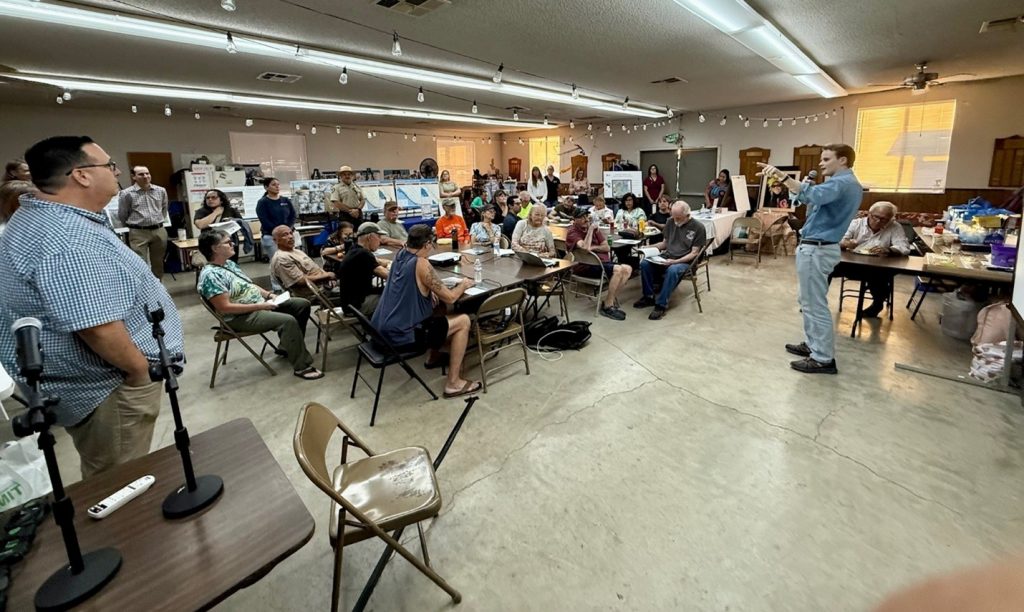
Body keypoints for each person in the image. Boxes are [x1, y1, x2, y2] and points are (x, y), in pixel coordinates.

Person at [0, 136, 184, 478]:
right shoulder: (66, 239)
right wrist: (138, 371)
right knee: (119, 483)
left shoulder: (49, 220)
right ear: (81, 175)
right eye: (109, 165)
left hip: (96, 386)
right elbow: (97, 327)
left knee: (112, 476)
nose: (116, 172)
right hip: (110, 390)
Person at [758, 144, 863, 374]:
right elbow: (809, 199)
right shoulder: (839, 184)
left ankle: (823, 358)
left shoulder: (843, 183)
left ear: (843, 160)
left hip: (818, 248)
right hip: (816, 247)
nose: (821, 163)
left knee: (815, 305)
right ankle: (813, 344)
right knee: (807, 302)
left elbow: (812, 195)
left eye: (826, 159)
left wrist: (781, 175)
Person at [371, 225, 481, 398]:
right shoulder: (422, 263)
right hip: (400, 336)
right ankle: (453, 383)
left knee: (439, 307)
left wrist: (429, 292)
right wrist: (464, 284)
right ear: (428, 244)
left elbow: (409, 284)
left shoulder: (401, 254)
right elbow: (451, 297)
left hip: (378, 329)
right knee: (463, 321)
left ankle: (433, 357)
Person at [197, 228, 323, 380]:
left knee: (301, 304)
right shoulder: (211, 275)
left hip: (258, 304)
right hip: (240, 317)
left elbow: (249, 285)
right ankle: (301, 366)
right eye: (228, 242)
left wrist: (269, 295)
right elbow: (225, 308)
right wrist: (261, 306)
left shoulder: (229, 264)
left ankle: (287, 346)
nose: (233, 244)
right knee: (288, 321)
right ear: (215, 248)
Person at [633, 201, 707, 320]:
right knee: (645, 263)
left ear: (687, 216)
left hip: (685, 261)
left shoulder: (698, 227)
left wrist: (675, 262)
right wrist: (647, 248)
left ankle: (661, 305)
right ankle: (648, 296)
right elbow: (664, 244)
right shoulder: (670, 222)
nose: (675, 220)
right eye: (673, 216)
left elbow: (694, 253)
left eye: (678, 218)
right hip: (668, 255)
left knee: (672, 270)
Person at [838, 201, 910, 318]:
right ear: (869, 214)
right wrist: (846, 243)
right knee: (826, 267)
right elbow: (838, 241)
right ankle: (815, 302)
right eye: (876, 217)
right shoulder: (856, 223)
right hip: (852, 264)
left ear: (891, 219)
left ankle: (877, 305)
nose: (878, 221)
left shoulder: (894, 226)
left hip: (878, 267)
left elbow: (904, 247)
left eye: (884, 219)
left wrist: (888, 250)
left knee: (880, 276)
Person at [566, 208, 631, 321]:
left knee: (628, 269)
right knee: (618, 270)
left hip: (601, 263)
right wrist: (590, 231)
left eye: (586, 216)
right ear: (574, 220)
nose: (586, 219)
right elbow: (585, 248)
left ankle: (608, 301)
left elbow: (607, 247)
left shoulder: (595, 230)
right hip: (586, 266)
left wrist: (594, 247)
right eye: (582, 217)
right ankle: (608, 306)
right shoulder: (573, 232)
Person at [118, 164, 168, 279]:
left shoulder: (160, 191)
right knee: (140, 264)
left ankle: (157, 290)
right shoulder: (127, 193)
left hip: (159, 230)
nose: (145, 176)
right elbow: (123, 214)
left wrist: (158, 221)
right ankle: (145, 292)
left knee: (158, 263)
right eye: (141, 174)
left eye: (147, 173)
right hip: (138, 232)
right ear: (133, 177)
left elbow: (164, 209)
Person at [336, 222, 390, 316]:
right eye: (378, 237)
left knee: (385, 290)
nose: (380, 241)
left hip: (349, 303)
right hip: (357, 306)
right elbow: (388, 276)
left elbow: (378, 262)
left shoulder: (355, 249)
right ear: (370, 237)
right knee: (398, 296)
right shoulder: (364, 255)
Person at [269, 225, 336, 299]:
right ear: (275, 240)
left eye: (291, 233)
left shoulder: (296, 251)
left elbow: (315, 269)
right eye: (285, 235)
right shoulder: (282, 258)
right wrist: (327, 276)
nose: (290, 236)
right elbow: (300, 281)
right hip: (315, 294)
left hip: (325, 286)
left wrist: (328, 277)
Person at [256, 176, 295, 267]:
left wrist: (288, 229)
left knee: (290, 261)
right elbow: (264, 220)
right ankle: (276, 281)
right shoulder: (263, 202)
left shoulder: (285, 200)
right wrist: (279, 232)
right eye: (274, 185)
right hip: (271, 236)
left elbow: (293, 215)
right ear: (266, 187)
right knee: (277, 263)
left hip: (288, 234)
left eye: (278, 185)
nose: (277, 187)